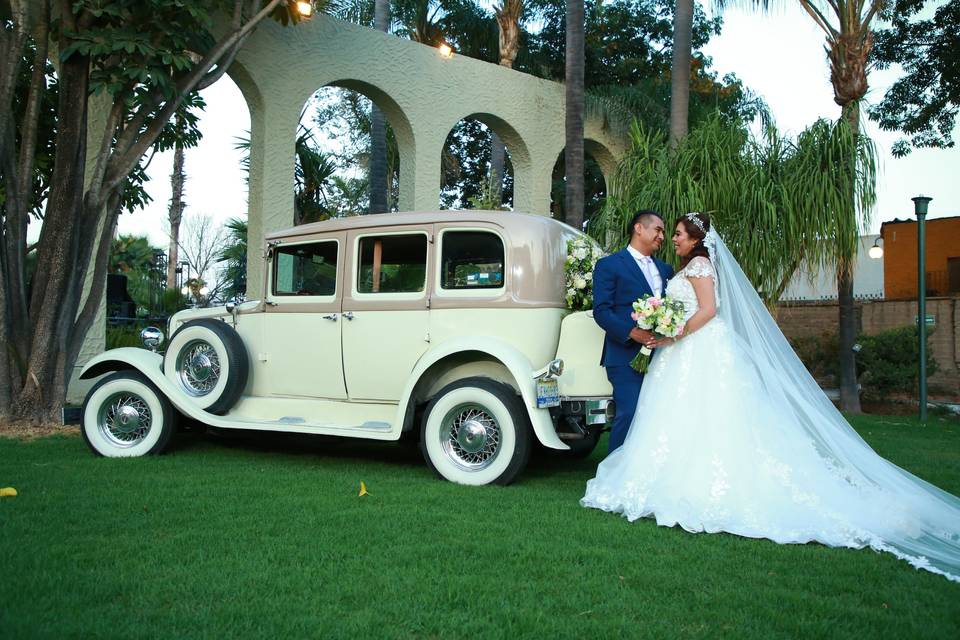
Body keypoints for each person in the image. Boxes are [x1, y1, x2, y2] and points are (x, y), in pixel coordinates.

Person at [582, 212, 960, 582]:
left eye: (676, 232)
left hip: (691, 349)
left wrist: (673, 334)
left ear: (696, 239)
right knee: (653, 416)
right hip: (653, 353)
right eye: (665, 231)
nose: (670, 238)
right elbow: (608, 310)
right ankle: (636, 474)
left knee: (709, 415)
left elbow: (708, 310)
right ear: (639, 228)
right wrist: (650, 333)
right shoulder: (629, 266)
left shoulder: (683, 269)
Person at [591, 210, 675, 454]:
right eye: (658, 229)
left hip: (662, 355)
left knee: (657, 414)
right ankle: (614, 476)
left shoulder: (666, 269)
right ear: (639, 228)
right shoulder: (609, 265)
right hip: (624, 355)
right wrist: (632, 332)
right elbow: (602, 311)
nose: (663, 236)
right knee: (629, 412)